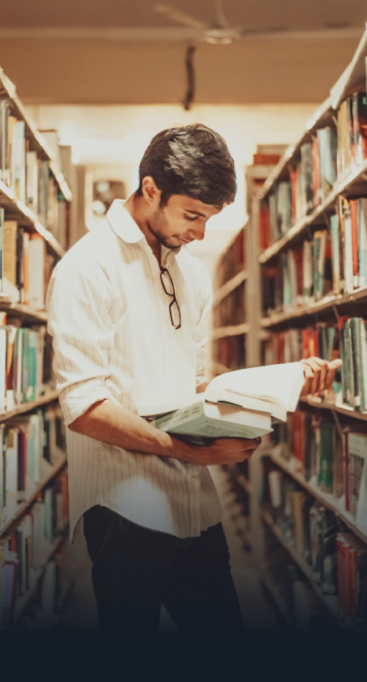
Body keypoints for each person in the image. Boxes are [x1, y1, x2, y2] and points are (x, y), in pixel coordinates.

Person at [47, 123, 341, 635]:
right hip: (124, 506)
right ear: (150, 189)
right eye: (192, 215)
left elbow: (194, 385)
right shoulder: (87, 269)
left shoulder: (193, 275)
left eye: (210, 219)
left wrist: (280, 382)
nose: (200, 233)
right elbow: (84, 405)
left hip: (194, 504)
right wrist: (189, 451)